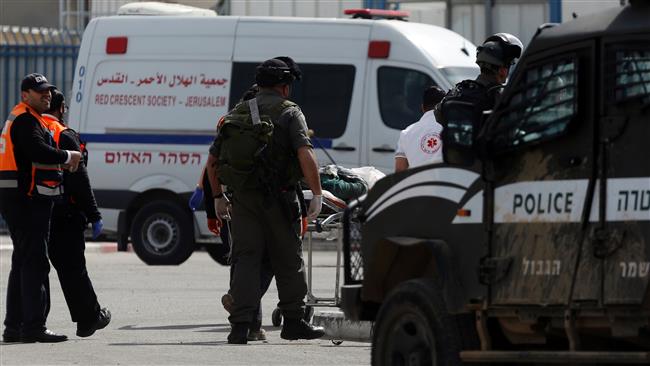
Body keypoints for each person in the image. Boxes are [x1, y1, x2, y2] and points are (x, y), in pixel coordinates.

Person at [206, 57, 325, 344]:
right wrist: (317, 193)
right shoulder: (289, 112)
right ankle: (294, 322)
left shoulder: (237, 111)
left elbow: (212, 161)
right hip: (279, 199)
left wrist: (218, 197)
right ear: (284, 88)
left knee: (246, 259)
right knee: (288, 259)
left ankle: (240, 327)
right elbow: (305, 154)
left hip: (242, 199)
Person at [0, 73, 82, 343]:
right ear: (25, 95)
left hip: (20, 199)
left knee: (22, 261)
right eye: (40, 92)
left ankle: (14, 327)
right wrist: (68, 156)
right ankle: (33, 326)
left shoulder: (27, 117)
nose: (46, 95)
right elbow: (38, 152)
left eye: (48, 91)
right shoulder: (25, 120)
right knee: (35, 262)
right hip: (26, 200)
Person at [41, 88, 111, 338]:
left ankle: (33, 322)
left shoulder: (32, 129)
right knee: (73, 267)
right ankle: (89, 317)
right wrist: (94, 215)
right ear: (60, 109)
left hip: (38, 209)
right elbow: (80, 178)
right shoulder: (63, 133)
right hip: (66, 212)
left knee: (41, 267)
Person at [434, 33, 523, 142]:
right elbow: (512, 132)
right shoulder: (498, 97)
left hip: (457, 156)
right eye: (508, 65)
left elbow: (438, 113)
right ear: (502, 70)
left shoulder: (460, 89)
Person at [394, 86, 447, 172]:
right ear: (444, 107)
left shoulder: (406, 133)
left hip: (418, 184)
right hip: (446, 183)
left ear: (422, 107)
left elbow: (400, 169)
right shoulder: (452, 129)